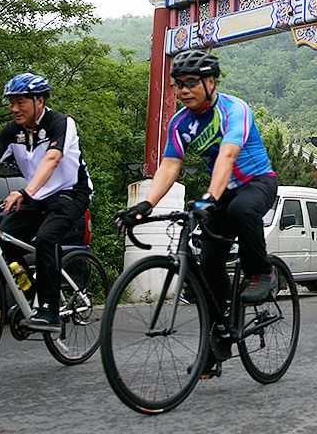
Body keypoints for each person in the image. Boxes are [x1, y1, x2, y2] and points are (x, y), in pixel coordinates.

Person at [119, 49, 277, 378]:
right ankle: (217, 337)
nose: (184, 90)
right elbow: (170, 165)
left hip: (256, 181)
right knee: (208, 263)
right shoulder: (180, 122)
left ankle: (261, 272)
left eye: (191, 83)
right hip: (221, 190)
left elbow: (228, 155)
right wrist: (146, 204)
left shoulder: (234, 109)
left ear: (209, 81)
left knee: (242, 208)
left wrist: (209, 197)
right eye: (178, 84)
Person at [0, 73, 92, 332]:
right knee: (2, 243)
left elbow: (52, 159)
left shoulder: (61, 123)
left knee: (46, 238)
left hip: (71, 192)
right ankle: (31, 295)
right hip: (37, 196)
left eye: (20, 102)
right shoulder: (12, 131)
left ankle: (49, 310)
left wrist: (26, 192)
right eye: (11, 102)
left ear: (40, 100)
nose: (14, 109)